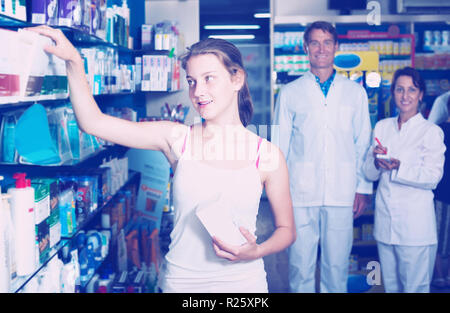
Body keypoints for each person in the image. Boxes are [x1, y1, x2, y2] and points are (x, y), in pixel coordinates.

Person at [29, 25, 296, 293]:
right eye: (192, 81)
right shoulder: (177, 138)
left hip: (243, 285)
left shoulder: (268, 155)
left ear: (237, 79)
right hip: (182, 283)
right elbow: (93, 122)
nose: (198, 92)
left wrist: (256, 250)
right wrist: (74, 61)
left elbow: (287, 229)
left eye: (209, 78)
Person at [272, 21, 373, 293]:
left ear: (336, 47)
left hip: (342, 191)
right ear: (305, 47)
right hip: (300, 192)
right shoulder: (290, 93)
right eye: (315, 42)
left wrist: (362, 188)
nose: (321, 49)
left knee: (337, 265)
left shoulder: (355, 93)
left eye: (327, 42)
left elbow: (362, 142)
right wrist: (279, 193)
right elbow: (278, 147)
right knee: (300, 264)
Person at [363, 67, 446, 293]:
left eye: (412, 90)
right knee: (391, 287)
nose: (405, 95)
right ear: (392, 92)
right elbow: (369, 174)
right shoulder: (382, 127)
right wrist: (375, 161)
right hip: (385, 225)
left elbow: (432, 177)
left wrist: (400, 166)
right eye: (400, 89)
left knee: (415, 288)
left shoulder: (430, 132)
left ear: (421, 95)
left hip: (415, 229)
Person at [431, 95, 450, 289]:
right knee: (438, 237)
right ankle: (439, 275)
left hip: (441, 192)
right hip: (441, 193)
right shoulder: (439, 131)